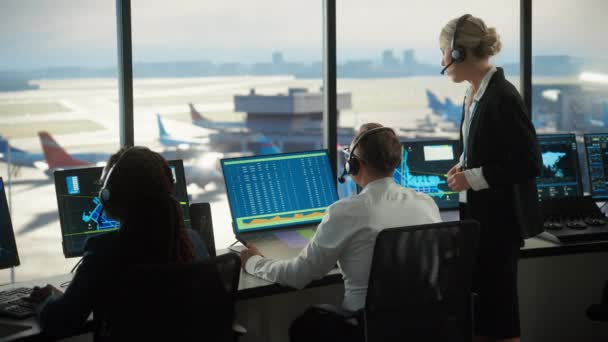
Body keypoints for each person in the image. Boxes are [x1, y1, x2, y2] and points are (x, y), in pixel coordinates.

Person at [240, 123, 442, 341]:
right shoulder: (426, 203)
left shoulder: (345, 212)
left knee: (304, 326)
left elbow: (297, 275)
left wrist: (254, 262)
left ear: (354, 164)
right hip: (424, 325)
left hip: (364, 327)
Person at [28, 146, 206, 339]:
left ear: (109, 195)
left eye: (104, 185)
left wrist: (45, 301)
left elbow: (61, 322)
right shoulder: (193, 241)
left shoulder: (103, 251)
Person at [439, 14, 543, 342]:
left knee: (500, 320)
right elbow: (485, 147)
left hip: (499, 225)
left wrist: (475, 178)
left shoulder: (503, 97)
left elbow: (529, 163)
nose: (442, 60)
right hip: (479, 220)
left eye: (444, 51)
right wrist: (463, 165)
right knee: (481, 318)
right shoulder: (475, 94)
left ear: (460, 53)